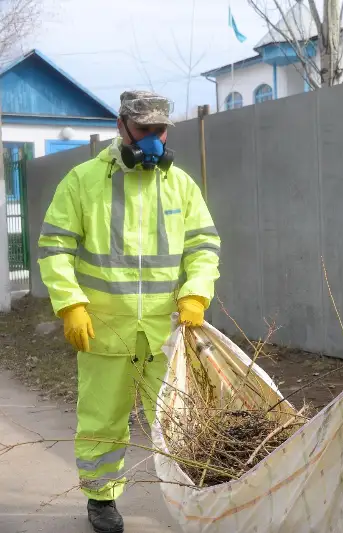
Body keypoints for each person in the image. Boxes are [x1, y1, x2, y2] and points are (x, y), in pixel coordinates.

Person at [37, 90, 221, 533]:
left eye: (160, 130)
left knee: (179, 422)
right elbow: (55, 247)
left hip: (166, 332)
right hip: (103, 330)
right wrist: (70, 304)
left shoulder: (179, 185)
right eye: (143, 129)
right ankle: (101, 500)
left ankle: (193, 501)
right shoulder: (83, 182)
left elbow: (203, 246)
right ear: (121, 126)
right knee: (102, 422)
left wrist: (196, 294)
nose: (153, 139)